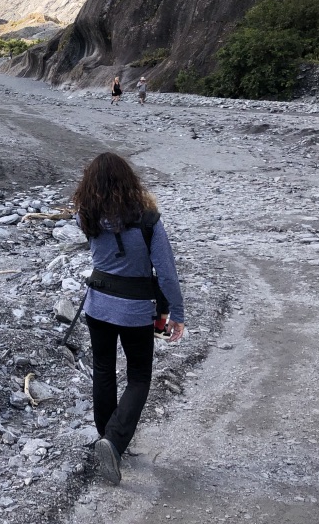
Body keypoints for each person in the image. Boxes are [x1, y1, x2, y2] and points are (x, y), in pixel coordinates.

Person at [73, 152, 185, 485]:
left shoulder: (86, 216)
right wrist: (175, 312)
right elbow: (166, 272)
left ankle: (107, 438)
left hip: (98, 306)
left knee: (104, 370)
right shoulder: (148, 219)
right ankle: (114, 440)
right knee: (138, 377)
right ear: (129, 180)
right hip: (135, 309)